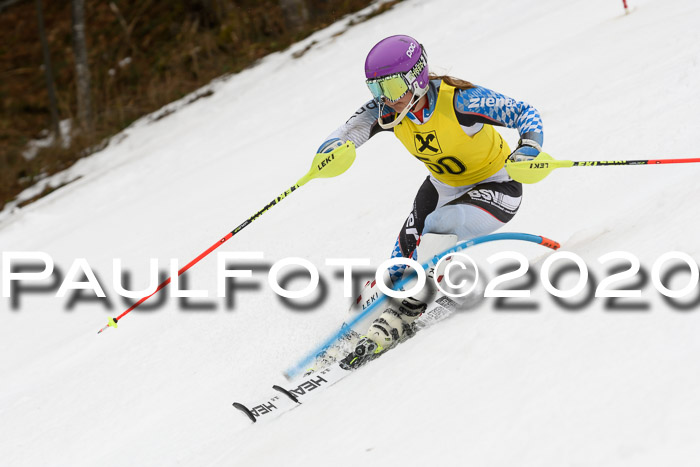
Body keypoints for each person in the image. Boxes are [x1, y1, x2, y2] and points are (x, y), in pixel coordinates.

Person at [315, 35, 544, 368]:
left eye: (391, 88)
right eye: (376, 90)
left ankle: (408, 310)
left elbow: (525, 113)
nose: (385, 100)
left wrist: (528, 148)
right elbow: (348, 130)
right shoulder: (389, 110)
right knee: (400, 263)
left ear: (417, 77)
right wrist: (332, 149)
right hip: (442, 187)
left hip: (498, 188)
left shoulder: (462, 101)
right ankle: (364, 320)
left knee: (436, 229)